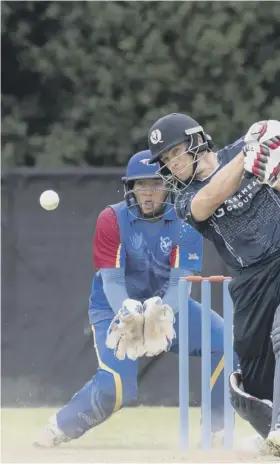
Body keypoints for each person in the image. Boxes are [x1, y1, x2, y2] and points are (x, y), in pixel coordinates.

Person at [147, 114, 280, 459]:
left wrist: (262, 160)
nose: (171, 164)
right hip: (250, 279)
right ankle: (276, 432)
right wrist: (248, 154)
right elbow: (207, 202)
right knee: (252, 388)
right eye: (165, 160)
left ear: (196, 141)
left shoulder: (246, 152)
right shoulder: (185, 198)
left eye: (175, 153)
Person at [34, 150, 236, 448]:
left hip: (166, 305)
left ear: (168, 185)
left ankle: (217, 431)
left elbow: (181, 280)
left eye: (155, 184)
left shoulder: (186, 220)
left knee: (224, 344)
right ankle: (58, 428)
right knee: (116, 389)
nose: (148, 192)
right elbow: (112, 280)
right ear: (131, 188)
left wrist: (164, 312)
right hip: (115, 309)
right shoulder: (111, 218)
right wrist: (128, 311)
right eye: (141, 185)